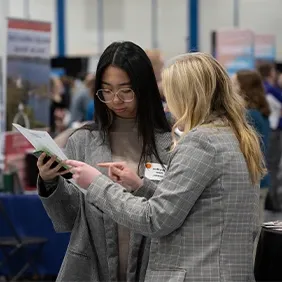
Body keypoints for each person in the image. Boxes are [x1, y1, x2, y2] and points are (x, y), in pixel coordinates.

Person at [66, 52, 265, 282]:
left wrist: (96, 183)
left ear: (186, 96)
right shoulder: (234, 136)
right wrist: (142, 187)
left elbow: (154, 220)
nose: (167, 105)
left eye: (169, 95)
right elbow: (195, 206)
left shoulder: (200, 142)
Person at [37, 41, 171, 282]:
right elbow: (69, 217)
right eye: (106, 90)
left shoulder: (171, 140)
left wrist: (141, 186)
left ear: (144, 88)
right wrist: (50, 182)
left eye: (126, 90)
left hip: (156, 266)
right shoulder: (83, 140)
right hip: (91, 267)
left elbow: (174, 209)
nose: (116, 100)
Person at [234, 69, 271, 223]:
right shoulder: (260, 112)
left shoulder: (249, 116)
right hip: (260, 179)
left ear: (244, 87)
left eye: (234, 83)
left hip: (253, 179)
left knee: (252, 231)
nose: (231, 87)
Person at [257, 62, 282, 211]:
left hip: (274, 129)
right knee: (272, 167)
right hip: (275, 130)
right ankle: (273, 201)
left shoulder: (268, 88)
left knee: (271, 166)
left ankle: (273, 199)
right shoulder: (270, 89)